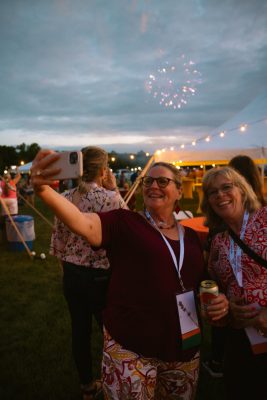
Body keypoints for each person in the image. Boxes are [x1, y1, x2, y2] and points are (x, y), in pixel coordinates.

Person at [31, 152, 228, 400]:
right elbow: (84, 223)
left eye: (163, 181)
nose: (153, 185)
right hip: (132, 351)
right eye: (148, 181)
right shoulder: (125, 222)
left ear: (179, 191)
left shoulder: (192, 237)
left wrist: (217, 302)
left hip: (183, 350)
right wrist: (43, 191)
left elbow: (201, 284)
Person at [50, 146, 128, 400]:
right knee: (111, 331)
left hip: (72, 274)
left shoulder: (64, 198)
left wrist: (68, 268)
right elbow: (128, 229)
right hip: (101, 277)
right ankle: (114, 381)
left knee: (79, 330)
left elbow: (58, 243)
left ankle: (86, 385)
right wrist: (115, 189)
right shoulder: (111, 199)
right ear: (104, 170)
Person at [201, 166, 267, 399]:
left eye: (227, 187)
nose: (220, 195)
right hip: (241, 340)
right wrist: (221, 308)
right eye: (212, 192)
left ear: (242, 190)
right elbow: (217, 293)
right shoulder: (218, 243)